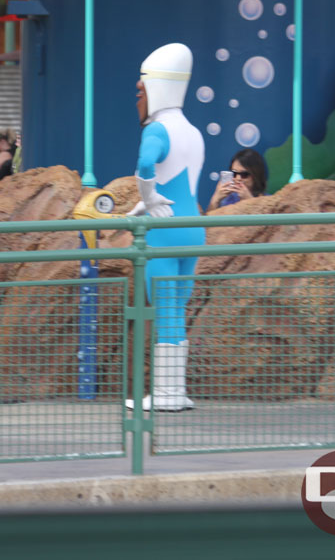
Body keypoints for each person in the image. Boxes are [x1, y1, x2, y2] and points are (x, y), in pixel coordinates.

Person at [124, 43, 205, 413]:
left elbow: (145, 164)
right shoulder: (193, 131)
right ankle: (177, 391)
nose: (136, 98)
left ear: (155, 88)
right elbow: (181, 182)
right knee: (179, 306)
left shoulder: (157, 130)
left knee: (164, 307)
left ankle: (166, 394)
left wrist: (149, 198)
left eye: (140, 91)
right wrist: (149, 199)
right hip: (193, 229)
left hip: (164, 230)